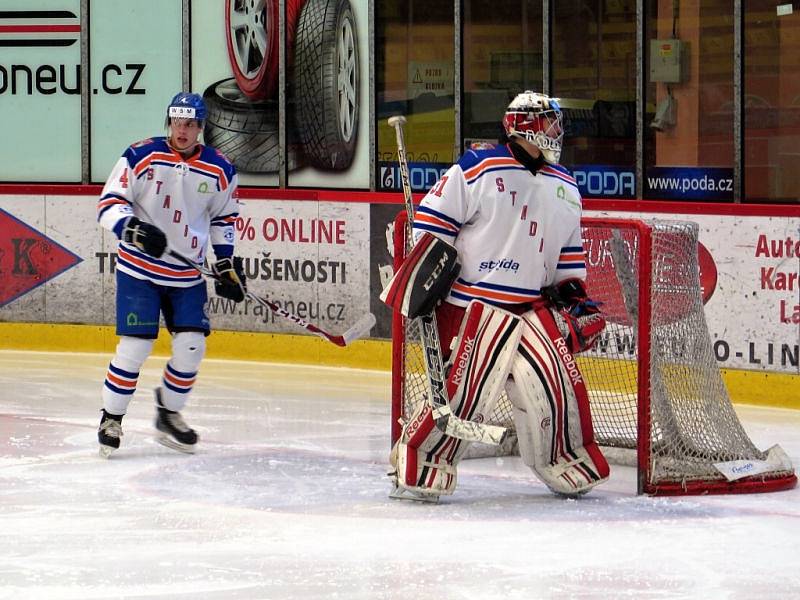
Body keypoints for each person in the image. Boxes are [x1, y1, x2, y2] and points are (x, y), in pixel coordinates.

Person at [385, 91, 610, 501]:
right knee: (462, 396)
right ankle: (421, 459)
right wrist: (424, 278)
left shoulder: (565, 186)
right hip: (475, 303)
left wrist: (575, 298)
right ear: (522, 125)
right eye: (548, 122)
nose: (556, 131)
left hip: (532, 307)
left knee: (555, 391)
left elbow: (567, 256)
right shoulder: (479, 167)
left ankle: (566, 459)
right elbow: (433, 226)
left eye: (557, 123)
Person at [95, 92, 247, 458]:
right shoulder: (141, 154)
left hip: (185, 275)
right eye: (178, 122)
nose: (183, 130)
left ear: (201, 127)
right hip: (139, 271)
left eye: (191, 124)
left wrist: (226, 262)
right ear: (170, 122)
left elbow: (224, 218)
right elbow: (108, 203)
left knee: (192, 347)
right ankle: (111, 417)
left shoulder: (220, 168)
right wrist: (131, 228)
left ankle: (168, 412)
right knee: (135, 347)